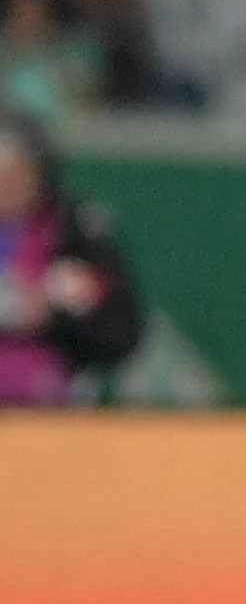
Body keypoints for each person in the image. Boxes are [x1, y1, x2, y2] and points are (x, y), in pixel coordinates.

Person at [0, 108, 143, 404]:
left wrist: (53, 318)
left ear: (40, 175)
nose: (6, 186)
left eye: (16, 173)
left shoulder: (76, 234)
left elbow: (121, 332)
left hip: (52, 406)